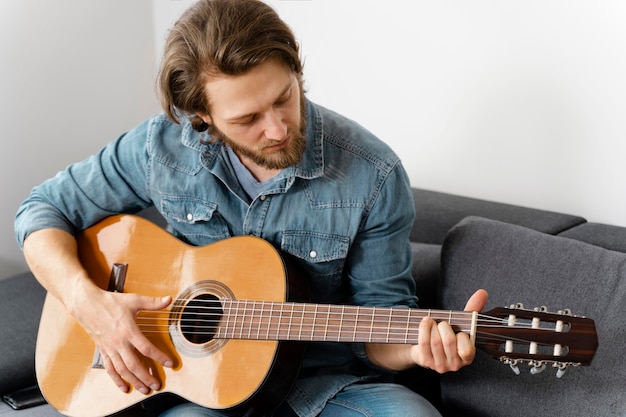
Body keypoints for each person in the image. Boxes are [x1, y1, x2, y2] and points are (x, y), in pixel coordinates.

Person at [15, 0, 487, 416]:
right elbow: (40, 212)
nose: (279, 129)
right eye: (247, 119)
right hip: (194, 387)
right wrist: (90, 303)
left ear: (296, 72)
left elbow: (381, 327)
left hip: (322, 387)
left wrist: (418, 349)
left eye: (284, 98)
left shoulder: (372, 174)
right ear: (201, 118)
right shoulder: (160, 148)